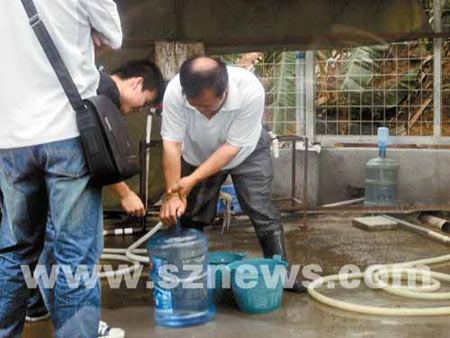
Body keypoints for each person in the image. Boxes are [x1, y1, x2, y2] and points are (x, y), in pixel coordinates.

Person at [0, 1, 122, 337]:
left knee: (14, 252)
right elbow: (113, 35)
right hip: (67, 133)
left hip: (9, 138)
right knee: (75, 257)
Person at [25, 60, 165, 338]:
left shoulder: (84, 80)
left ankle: (68, 324)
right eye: (144, 101)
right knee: (80, 257)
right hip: (67, 182)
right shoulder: (102, 93)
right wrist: (125, 193)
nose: (140, 109)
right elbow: (92, 148)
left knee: (51, 253)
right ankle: (81, 330)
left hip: (35, 175)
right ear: (136, 82)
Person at [159, 56, 305, 292]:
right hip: (197, 152)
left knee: (259, 207)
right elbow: (172, 144)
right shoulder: (176, 91)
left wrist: (194, 178)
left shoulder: (250, 90)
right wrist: (172, 193)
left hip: (246, 151)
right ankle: (188, 275)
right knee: (193, 212)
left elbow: (232, 148)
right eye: (195, 106)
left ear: (225, 92)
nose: (202, 112)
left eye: (207, 106)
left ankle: (281, 275)